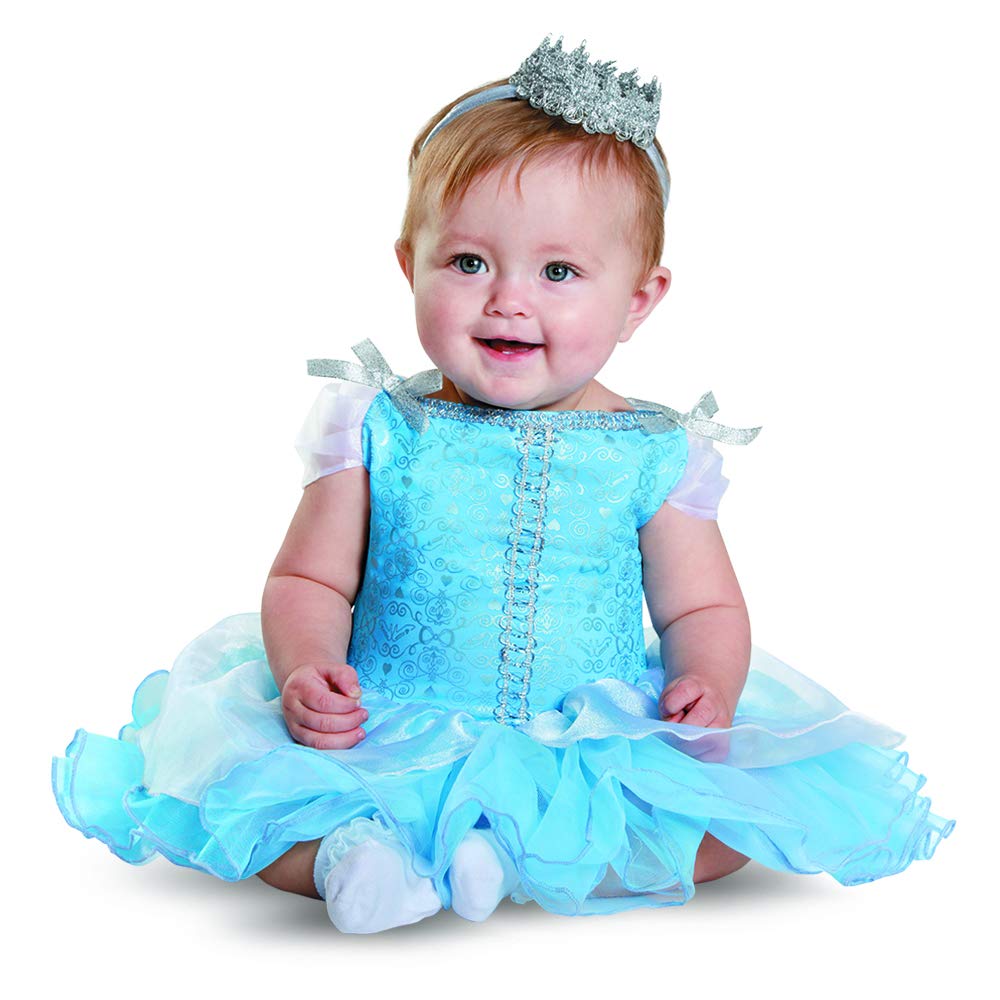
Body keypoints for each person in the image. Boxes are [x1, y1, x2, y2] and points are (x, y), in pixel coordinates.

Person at [52, 35, 955, 934]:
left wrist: (706, 685)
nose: (508, 299)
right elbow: (308, 579)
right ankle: (357, 859)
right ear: (410, 265)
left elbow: (702, 607)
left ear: (638, 299)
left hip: (583, 738)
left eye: (559, 272)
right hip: (395, 725)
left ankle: (497, 859)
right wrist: (307, 671)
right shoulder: (376, 426)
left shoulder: (655, 451)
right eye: (468, 263)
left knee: (731, 836)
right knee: (250, 811)